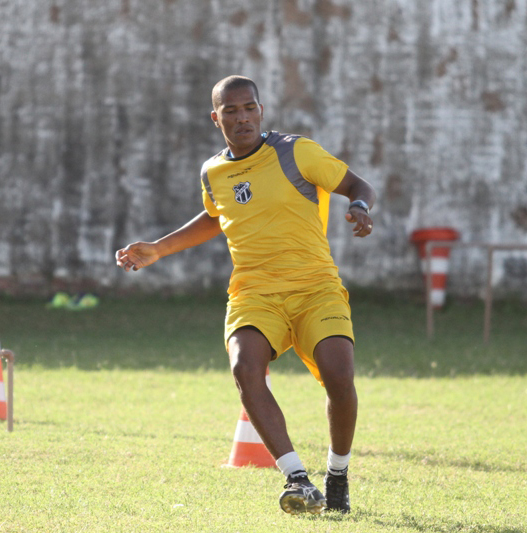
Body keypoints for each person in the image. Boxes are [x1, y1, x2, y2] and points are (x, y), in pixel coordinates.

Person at [115, 75, 376, 515]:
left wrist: (360, 208)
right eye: (231, 111)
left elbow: (357, 185)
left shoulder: (297, 152)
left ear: (261, 110)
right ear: (216, 118)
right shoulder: (213, 171)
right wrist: (159, 248)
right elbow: (217, 216)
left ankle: (337, 474)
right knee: (244, 367)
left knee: (340, 377)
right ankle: (297, 478)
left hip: (316, 287)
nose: (242, 118)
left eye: (249, 108)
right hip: (255, 291)